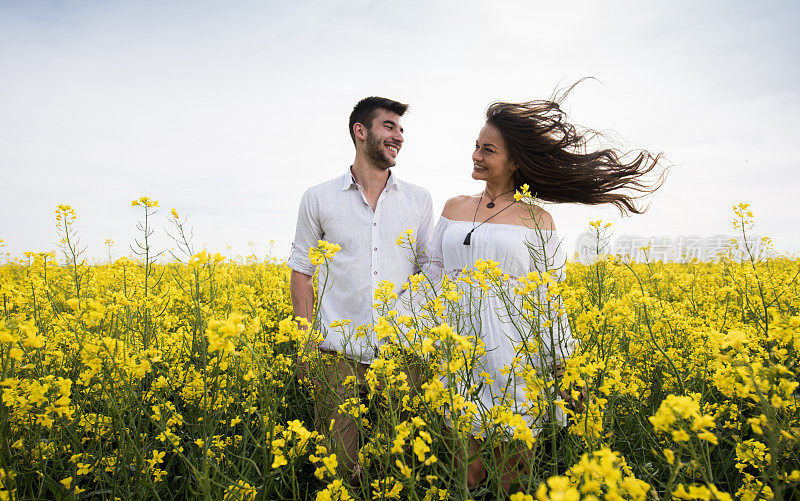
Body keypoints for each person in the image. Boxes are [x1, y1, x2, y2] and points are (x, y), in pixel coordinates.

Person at [423, 91, 663, 491]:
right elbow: (430, 276)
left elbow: (548, 299)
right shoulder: (453, 206)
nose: (476, 156)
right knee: (465, 476)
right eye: (476, 146)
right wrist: (406, 337)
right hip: (460, 353)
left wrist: (565, 367)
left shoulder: (539, 218)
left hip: (516, 357)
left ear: (514, 160)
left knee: (510, 479)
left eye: (488, 150)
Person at [287, 96, 433, 476]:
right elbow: (302, 270)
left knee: (402, 471)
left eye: (401, 129)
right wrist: (305, 340)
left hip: (402, 352)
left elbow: (430, 271)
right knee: (337, 469)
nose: (398, 136)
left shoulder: (419, 200)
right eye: (389, 126)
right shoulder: (318, 197)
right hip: (337, 354)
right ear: (360, 131)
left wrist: (407, 320)